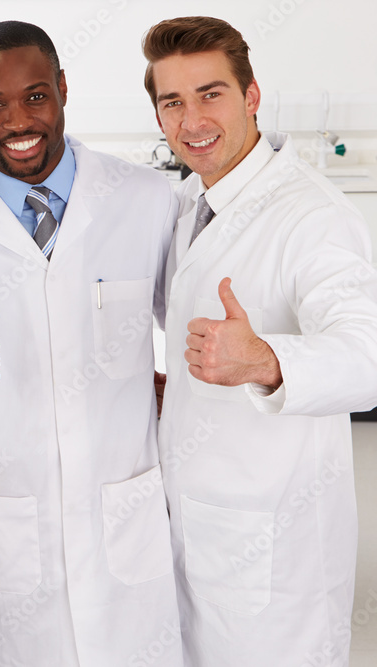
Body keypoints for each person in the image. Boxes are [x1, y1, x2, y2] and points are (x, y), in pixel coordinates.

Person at [0, 20, 182, 667]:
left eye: (35, 96)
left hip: (123, 527)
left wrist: (180, 394)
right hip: (3, 533)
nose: (18, 119)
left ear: (63, 90)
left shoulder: (144, 197)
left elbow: (190, 325)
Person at [142, 16, 377, 667]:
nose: (192, 119)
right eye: (172, 102)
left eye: (210, 93)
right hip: (196, 541)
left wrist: (267, 360)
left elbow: (368, 353)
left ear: (251, 97)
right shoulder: (191, 200)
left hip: (274, 561)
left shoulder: (314, 215)